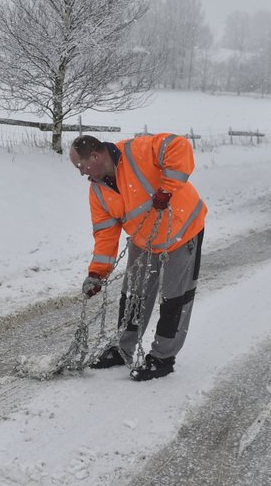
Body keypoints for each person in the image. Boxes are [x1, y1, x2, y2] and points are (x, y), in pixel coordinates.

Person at [68, 133, 207, 381]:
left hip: (182, 229)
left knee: (175, 298)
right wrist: (97, 273)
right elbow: (106, 234)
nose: (81, 173)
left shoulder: (138, 151)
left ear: (96, 156)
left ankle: (162, 357)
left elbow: (178, 146)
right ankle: (123, 348)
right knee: (133, 295)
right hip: (144, 239)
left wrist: (168, 188)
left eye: (81, 166)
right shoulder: (98, 191)